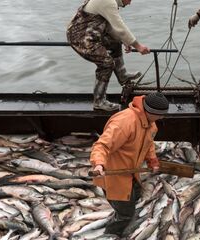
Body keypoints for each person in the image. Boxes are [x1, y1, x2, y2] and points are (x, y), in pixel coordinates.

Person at [89, 92, 168, 237]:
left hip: (133, 173)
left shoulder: (150, 123)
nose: (162, 118)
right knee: (125, 214)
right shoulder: (124, 122)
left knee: (135, 198)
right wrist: (99, 164)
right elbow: (101, 146)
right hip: (115, 177)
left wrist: (152, 160)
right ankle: (111, 235)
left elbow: (148, 143)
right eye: (160, 115)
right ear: (151, 111)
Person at [67, 0, 151, 111]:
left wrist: (125, 41)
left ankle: (123, 75)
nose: (130, 3)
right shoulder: (109, 2)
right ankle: (99, 101)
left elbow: (111, 27)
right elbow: (120, 26)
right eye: (130, 0)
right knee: (106, 63)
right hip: (80, 38)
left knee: (115, 43)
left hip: (91, 33)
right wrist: (138, 46)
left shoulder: (109, 2)